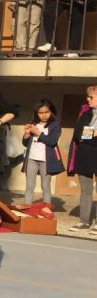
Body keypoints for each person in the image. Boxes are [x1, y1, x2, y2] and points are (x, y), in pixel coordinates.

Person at [66, 85, 97, 233]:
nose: (88, 99)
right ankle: (84, 221)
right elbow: (79, 134)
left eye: (91, 97)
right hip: (85, 156)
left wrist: (89, 135)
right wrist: (93, 133)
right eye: (88, 96)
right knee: (86, 190)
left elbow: (86, 135)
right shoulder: (85, 114)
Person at [21, 98, 62, 206]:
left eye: (46, 112)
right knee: (29, 185)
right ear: (36, 113)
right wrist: (26, 135)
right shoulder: (33, 124)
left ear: (51, 111)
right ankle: (27, 208)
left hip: (46, 160)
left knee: (45, 185)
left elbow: (52, 142)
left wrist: (38, 133)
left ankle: (46, 209)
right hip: (32, 158)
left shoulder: (55, 125)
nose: (43, 115)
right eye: (40, 113)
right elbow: (25, 143)